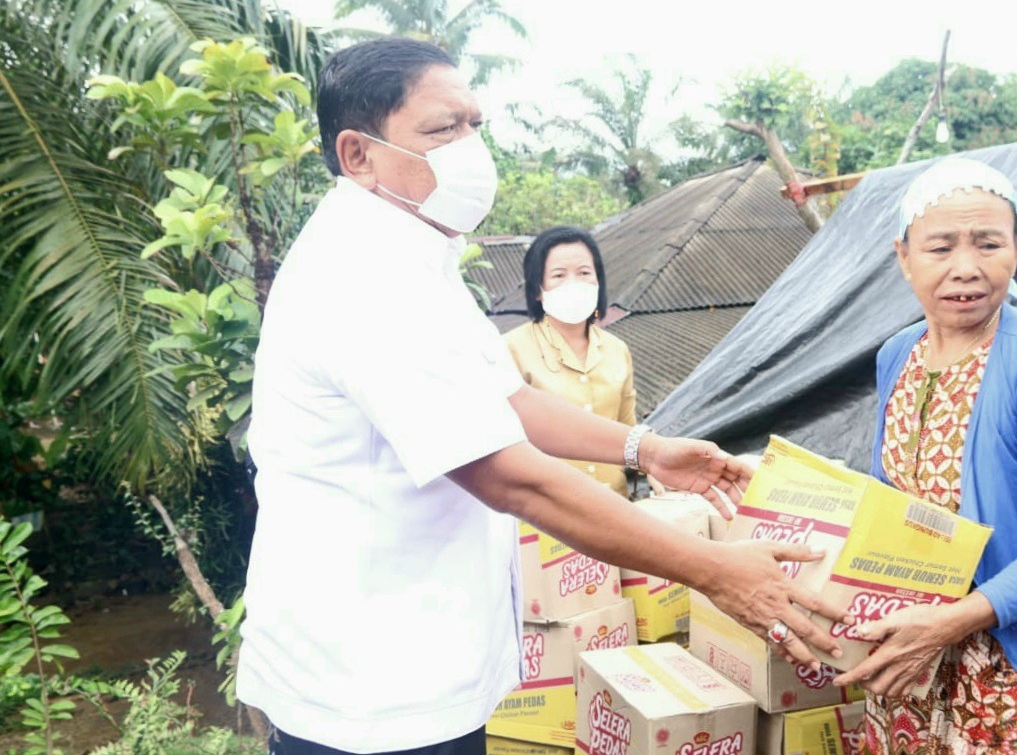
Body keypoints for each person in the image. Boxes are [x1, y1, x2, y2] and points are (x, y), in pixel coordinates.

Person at [239, 37, 846, 755]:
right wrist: (715, 571)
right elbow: (510, 476)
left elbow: (507, 401)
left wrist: (645, 449)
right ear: (358, 154)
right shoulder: (366, 275)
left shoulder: (412, 252)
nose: (469, 148)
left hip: (414, 661)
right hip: (370, 690)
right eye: (442, 129)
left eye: (474, 125)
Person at [832, 158, 1017, 755]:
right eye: (940, 247)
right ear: (904, 257)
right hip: (912, 662)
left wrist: (947, 624)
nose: (966, 267)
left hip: (1008, 675)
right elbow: (899, 502)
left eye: (988, 244)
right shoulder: (899, 355)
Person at [504, 227, 637, 496]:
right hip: (547, 506)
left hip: (616, 504)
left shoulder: (617, 349)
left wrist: (656, 469)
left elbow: (629, 431)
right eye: (559, 275)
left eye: (584, 273)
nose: (573, 284)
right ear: (538, 289)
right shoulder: (510, 348)